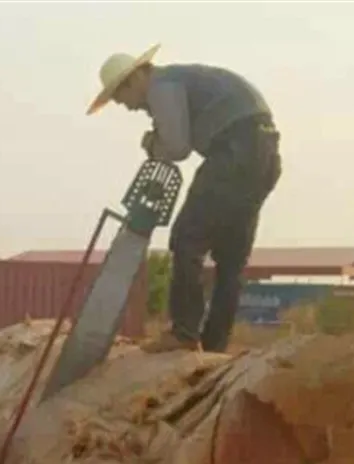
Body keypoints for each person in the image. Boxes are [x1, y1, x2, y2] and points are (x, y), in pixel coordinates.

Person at [87, 44, 282, 353]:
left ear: (135, 80)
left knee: (186, 238)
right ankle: (215, 345)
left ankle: (184, 333)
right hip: (265, 155)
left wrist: (152, 143)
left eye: (121, 98)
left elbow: (177, 147)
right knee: (231, 260)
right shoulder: (186, 79)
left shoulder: (162, 85)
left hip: (233, 153)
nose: (127, 107)